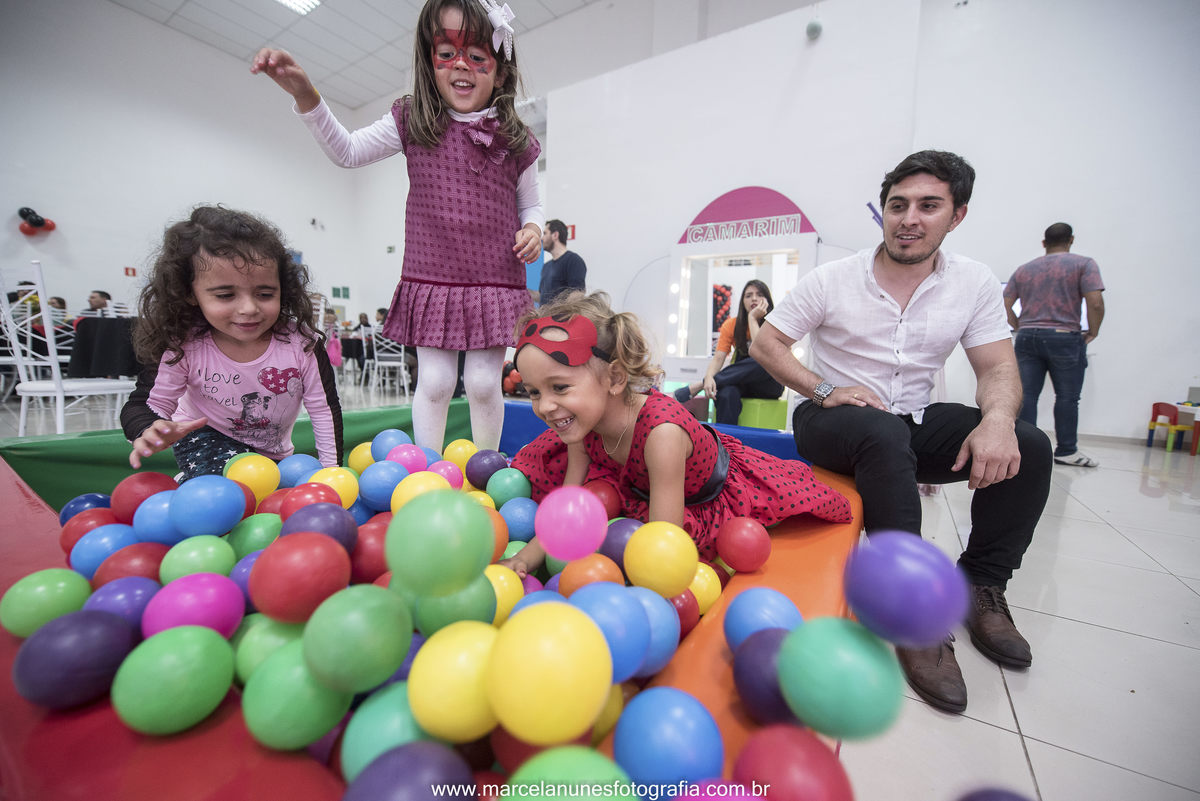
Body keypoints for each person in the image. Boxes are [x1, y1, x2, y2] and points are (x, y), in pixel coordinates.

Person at [750, 150, 1053, 715]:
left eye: (928, 206)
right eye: (898, 205)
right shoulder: (833, 279)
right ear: (883, 213)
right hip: (832, 421)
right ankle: (913, 611)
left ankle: (980, 587)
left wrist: (998, 421)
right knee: (880, 434)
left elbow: (997, 368)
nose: (909, 218)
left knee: (1030, 446)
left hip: (910, 418)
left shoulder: (974, 282)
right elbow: (765, 344)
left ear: (956, 215)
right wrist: (821, 388)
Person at [251, 0, 542, 452]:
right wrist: (306, 96)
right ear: (430, 61)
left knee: (486, 383)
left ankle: (487, 467)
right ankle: (426, 467)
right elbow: (347, 151)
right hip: (434, 275)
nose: (461, 66)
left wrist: (534, 230)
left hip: (494, 279)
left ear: (500, 71)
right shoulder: (414, 120)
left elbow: (532, 206)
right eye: (447, 53)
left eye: (478, 57)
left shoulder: (515, 137)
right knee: (436, 380)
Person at [500, 291, 852, 578]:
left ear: (615, 378)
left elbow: (662, 544)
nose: (544, 406)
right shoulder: (581, 427)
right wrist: (526, 559)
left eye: (559, 388)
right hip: (638, 485)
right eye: (533, 392)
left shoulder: (661, 434)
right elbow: (567, 501)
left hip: (700, 495)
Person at [121, 206, 343, 480]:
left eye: (264, 293)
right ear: (190, 294)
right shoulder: (184, 345)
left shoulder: (302, 344)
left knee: (269, 493)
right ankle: (194, 481)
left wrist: (332, 473)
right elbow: (145, 404)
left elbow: (323, 409)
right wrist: (148, 427)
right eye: (226, 295)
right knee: (229, 491)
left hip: (272, 452)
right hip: (204, 437)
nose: (249, 308)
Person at [1004, 222, 1105, 468]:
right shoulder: (1084, 264)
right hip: (1065, 336)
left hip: (1027, 337)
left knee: (1026, 396)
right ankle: (1067, 450)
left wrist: (1019, 326)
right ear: (1070, 240)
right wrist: (1093, 331)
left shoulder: (1025, 269)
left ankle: (1023, 448)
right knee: (1068, 397)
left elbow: (1005, 304)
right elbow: (1095, 303)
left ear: (1043, 243)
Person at [673, 279, 784, 424]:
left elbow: (761, 353)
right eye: (748, 295)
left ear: (768, 299)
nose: (754, 298)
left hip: (769, 383)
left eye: (759, 294)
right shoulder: (731, 325)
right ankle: (724, 442)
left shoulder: (776, 324)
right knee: (726, 393)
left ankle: (697, 386)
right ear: (742, 301)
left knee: (762, 361)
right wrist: (708, 378)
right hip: (743, 381)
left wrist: (752, 318)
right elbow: (719, 358)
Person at [536, 219, 586, 305]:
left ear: (555, 235)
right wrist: (523, 290)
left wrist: (557, 313)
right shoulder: (546, 266)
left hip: (561, 318)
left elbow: (578, 294)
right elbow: (542, 296)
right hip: (544, 317)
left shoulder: (573, 260)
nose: (542, 238)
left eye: (545, 233)